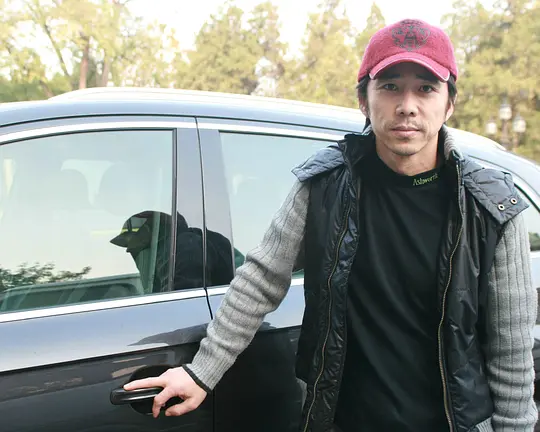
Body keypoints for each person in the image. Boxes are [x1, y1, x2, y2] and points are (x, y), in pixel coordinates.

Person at [125, 18, 538, 432]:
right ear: (364, 100)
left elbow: (512, 354)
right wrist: (202, 372)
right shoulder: (323, 186)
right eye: (390, 86)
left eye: (426, 88)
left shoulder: (490, 207)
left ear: (449, 104)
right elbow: (261, 278)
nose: (407, 105)